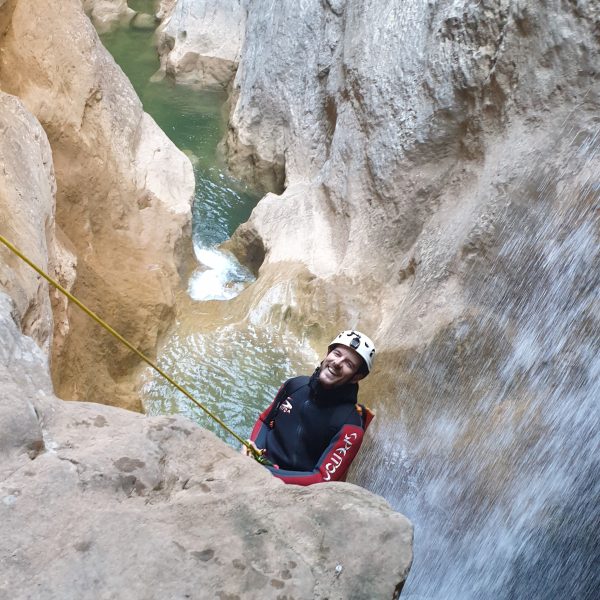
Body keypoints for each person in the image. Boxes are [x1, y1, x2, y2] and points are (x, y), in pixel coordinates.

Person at [244, 330, 375, 485]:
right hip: (260, 468)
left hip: (294, 492)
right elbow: (265, 421)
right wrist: (253, 450)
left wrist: (268, 474)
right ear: (328, 354)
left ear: (356, 377)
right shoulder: (295, 385)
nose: (338, 363)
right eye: (337, 354)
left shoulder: (350, 425)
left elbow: (322, 478)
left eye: (349, 364)